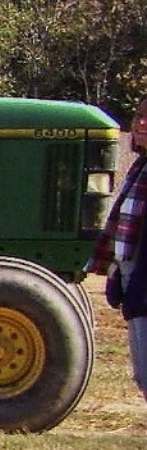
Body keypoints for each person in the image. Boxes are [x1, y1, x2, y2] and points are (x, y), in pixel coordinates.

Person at [88, 153, 147, 406]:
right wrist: (116, 272)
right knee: (142, 374)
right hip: (132, 278)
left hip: (142, 284)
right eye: (139, 116)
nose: (142, 123)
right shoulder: (139, 168)